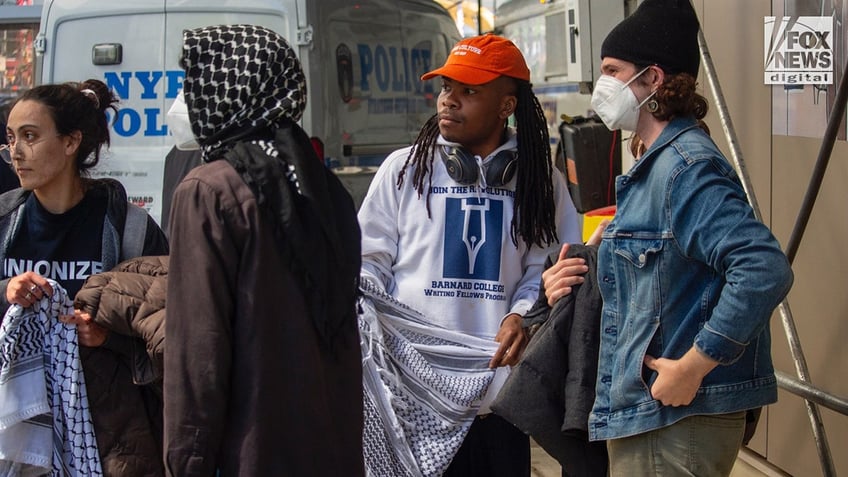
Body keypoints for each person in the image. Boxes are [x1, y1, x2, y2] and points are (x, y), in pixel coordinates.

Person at [542, 1, 794, 475]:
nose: (604, 84)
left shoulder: (685, 168)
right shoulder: (654, 165)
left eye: (613, 70)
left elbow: (763, 267)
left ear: (652, 79)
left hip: (676, 417)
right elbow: (659, 275)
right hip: (651, 414)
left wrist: (695, 365)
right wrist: (573, 274)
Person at [358, 33, 581, 477]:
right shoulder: (404, 169)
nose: (448, 102)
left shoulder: (541, 182)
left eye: (469, 91)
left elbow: (551, 267)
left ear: (506, 106)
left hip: (498, 401)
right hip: (413, 397)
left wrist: (522, 314)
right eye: (446, 89)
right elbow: (368, 260)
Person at [163, 24, 364, 476]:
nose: (184, 99)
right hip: (328, 448)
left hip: (248, 452)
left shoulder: (208, 190)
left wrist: (187, 461)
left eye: (189, 82)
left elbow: (198, 351)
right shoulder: (321, 186)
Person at [0, 79, 169, 475]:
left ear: (71, 142)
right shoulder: (5, 221)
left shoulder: (131, 229)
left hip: (106, 436)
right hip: (13, 430)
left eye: (30, 136)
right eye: (10, 138)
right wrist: (5, 292)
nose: (16, 152)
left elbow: (171, 329)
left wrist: (106, 338)